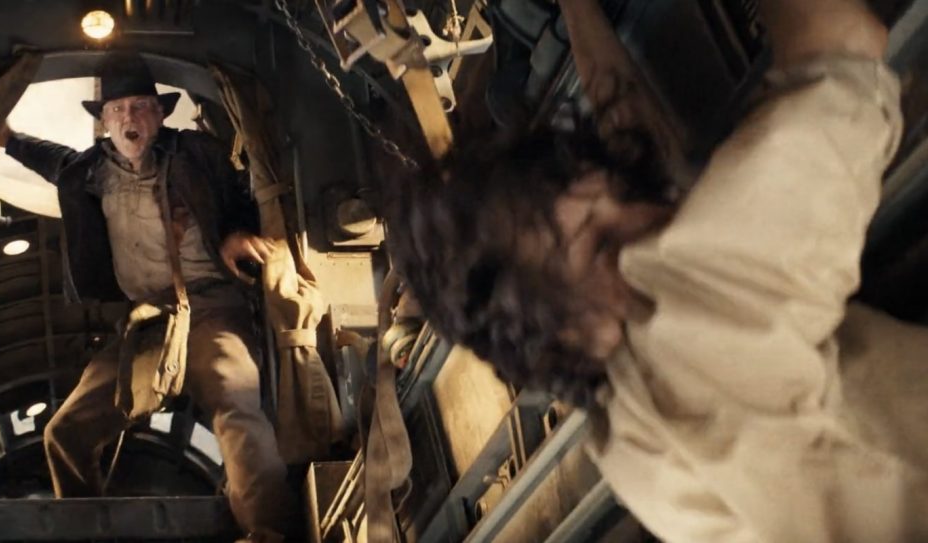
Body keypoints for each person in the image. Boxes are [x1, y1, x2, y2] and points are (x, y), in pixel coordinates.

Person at [387, 0, 928, 540]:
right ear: (565, 338)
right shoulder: (683, 343)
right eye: (604, 243)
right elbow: (842, 43)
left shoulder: (634, 430)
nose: (653, 215)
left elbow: (645, 168)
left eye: (623, 194)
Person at [0, 52, 289, 543]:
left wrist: (237, 234)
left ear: (160, 114)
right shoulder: (87, 171)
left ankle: (269, 533)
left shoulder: (197, 154)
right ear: (105, 122)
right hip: (150, 320)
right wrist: (9, 140)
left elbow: (243, 193)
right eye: (117, 109)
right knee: (65, 432)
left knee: (235, 403)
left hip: (211, 307)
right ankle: (86, 531)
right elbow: (51, 159)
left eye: (141, 106)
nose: (129, 118)